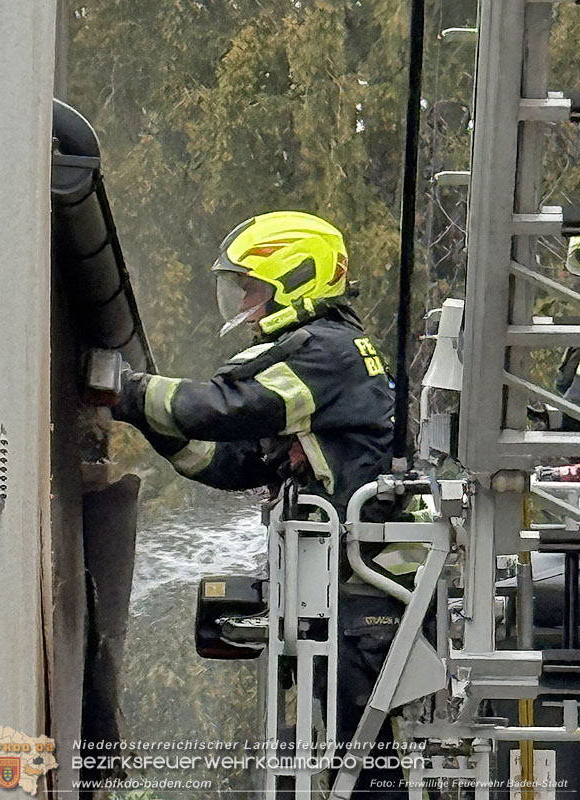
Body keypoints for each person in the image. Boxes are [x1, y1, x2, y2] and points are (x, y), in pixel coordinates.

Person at [113, 210, 408, 797]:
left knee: (366, 772)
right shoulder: (320, 358)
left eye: (251, 286)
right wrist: (151, 421)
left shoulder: (326, 352)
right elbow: (225, 460)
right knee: (348, 761)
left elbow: (226, 407)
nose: (242, 301)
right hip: (345, 589)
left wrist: (128, 389)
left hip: (365, 593)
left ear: (295, 276)